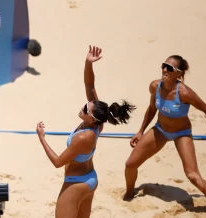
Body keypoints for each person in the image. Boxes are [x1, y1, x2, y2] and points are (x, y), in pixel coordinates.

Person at [36, 45, 136, 218]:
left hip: (76, 183)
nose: (82, 108)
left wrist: (42, 138)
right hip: (89, 178)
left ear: (91, 118)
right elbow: (89, 84)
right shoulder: (98, 120)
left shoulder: (83, 137)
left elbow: (58, 162)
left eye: (85, 109)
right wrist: (88, 63)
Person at [123, 55, 206, 217]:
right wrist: (141, 131)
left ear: (179, 74)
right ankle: (129, 193)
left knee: (193, 176)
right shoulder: (155, 86)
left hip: (181, 134)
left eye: (169, 68)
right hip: (160, 130)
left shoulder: (185, 93)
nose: (164, 69)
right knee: (130, 164)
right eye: (164, 65)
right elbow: (152, 109)